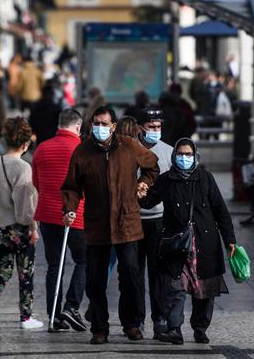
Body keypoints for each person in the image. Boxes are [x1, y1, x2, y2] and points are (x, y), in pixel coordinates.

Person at [62, 106, 159, 345]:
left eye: (105, 124)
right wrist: (70, 209)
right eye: (96, 123)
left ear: (113, 126)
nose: (100, 128)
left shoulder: (129, 146)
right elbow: (71, 186)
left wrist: (143, 183)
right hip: (97, 226)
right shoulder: (82, 152)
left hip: (127, 223)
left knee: (131, 276)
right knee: (95, 281)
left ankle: (131, 324)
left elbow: (152, 166)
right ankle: (99, 327)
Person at [141, 138, 236, 345]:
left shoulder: (205, 178)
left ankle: (200, 329)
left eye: (188, 154)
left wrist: (230, 240)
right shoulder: (167, 179)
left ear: (195, 156)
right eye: (181, 154)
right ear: (175, 156)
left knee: (204, 290)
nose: (184, 158)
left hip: (204, 243)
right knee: (174, 288)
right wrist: (140, 193)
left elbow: (221, 211)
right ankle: (175, 329)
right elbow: (149, 201)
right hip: (176, 245)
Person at [0, 117, 42, 329]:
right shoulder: (24, 169)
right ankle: (26, 317)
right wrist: (33, 227)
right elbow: (26, 206)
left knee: (2, 271)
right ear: (25, 143)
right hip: (20, 228)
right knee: (26, 273)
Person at [31, 109, 87, 332]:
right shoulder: (82, 150)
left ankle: (53, 316)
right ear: (78, 127)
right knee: (85, 260)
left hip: (47, 215)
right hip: (78, 216)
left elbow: (37, 183)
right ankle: (71, 306)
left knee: (55, 265)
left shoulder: (42, 149)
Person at [135, 107, 173, 338]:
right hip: (135, 220)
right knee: (134, 271)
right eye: (151, 127)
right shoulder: (130, 150)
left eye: (159, 127)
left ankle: (159, 318)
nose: (156, 131)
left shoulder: (169, 152)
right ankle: (136, 319)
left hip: (159, 221)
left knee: (158, 273)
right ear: (140, 128)